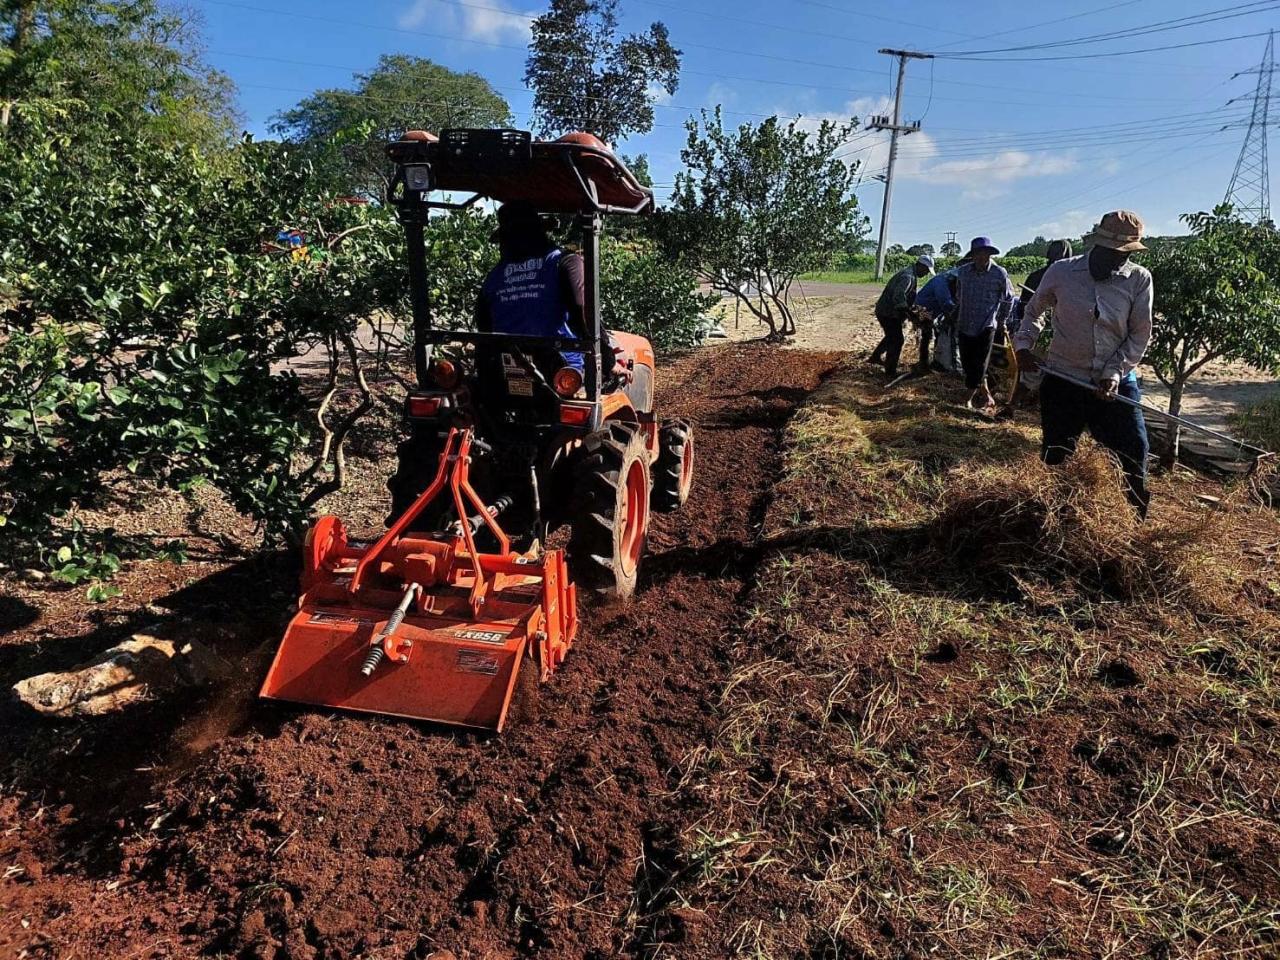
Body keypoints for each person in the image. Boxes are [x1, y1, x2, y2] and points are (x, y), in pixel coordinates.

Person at [1015, 210, 1154, 517]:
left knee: (1134, 451)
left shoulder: (1138, 280)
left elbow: (1140, 334)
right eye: (1113, 253)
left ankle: (1135, 524)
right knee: (1058, 454)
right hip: (1064, 377)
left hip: (1116, 383)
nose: (1119, 260)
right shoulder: (1062, 272)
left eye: (1125, 255)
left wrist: (1113, 372)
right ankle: (1054, 518)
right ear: (1097, 246)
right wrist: (1024, 345)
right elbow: (1033, 311)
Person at [476, 200, 623, 381]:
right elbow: (583, 313)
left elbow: (483, 327)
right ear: (540, 232)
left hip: (503, 374)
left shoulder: (494, 276)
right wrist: (609, 362)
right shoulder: (565, 262)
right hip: (560, 373)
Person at [996, 239, 1073, 418]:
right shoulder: (1065, 277)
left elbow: (1023, 308)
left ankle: (1017, 406)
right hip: (1047, 334)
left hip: (1045, 334)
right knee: (1037, 372)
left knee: (1032, 374)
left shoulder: (1040, 276)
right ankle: (1014, 407)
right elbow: (1026, 308)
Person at [953, 237, 1015, 411]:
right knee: (967, 364)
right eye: (978, 254)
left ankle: (967, 399)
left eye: (985, 253)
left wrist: (1002, 320)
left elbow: (1008, 299)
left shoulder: (999, 273)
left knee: (979, 365)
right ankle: (986, 394)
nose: (982, 257)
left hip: (986, 325)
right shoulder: (963, 272)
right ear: (972, 255)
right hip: (965, 324)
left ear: (989, 254)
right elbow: (959, 294)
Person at [870, 254, 933, 379]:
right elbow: (898, 297)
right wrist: (910, 314)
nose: (926, 274)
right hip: (888, 312)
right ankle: (890, 371)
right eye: (926, 271)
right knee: (897, 340)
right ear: (921, 266)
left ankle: (875, 357)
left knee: (892, 335)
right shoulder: (907, 277)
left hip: (887, 311)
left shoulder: (911, 274)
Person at [913, 266, 959, 373]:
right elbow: (946, 303)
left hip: (932, 311)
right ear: (953, 279)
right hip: (923, 309)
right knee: (927, 335)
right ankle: (924, 363)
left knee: (937, 333)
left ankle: (936, 359)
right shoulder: (941, 283)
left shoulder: (948, 283)